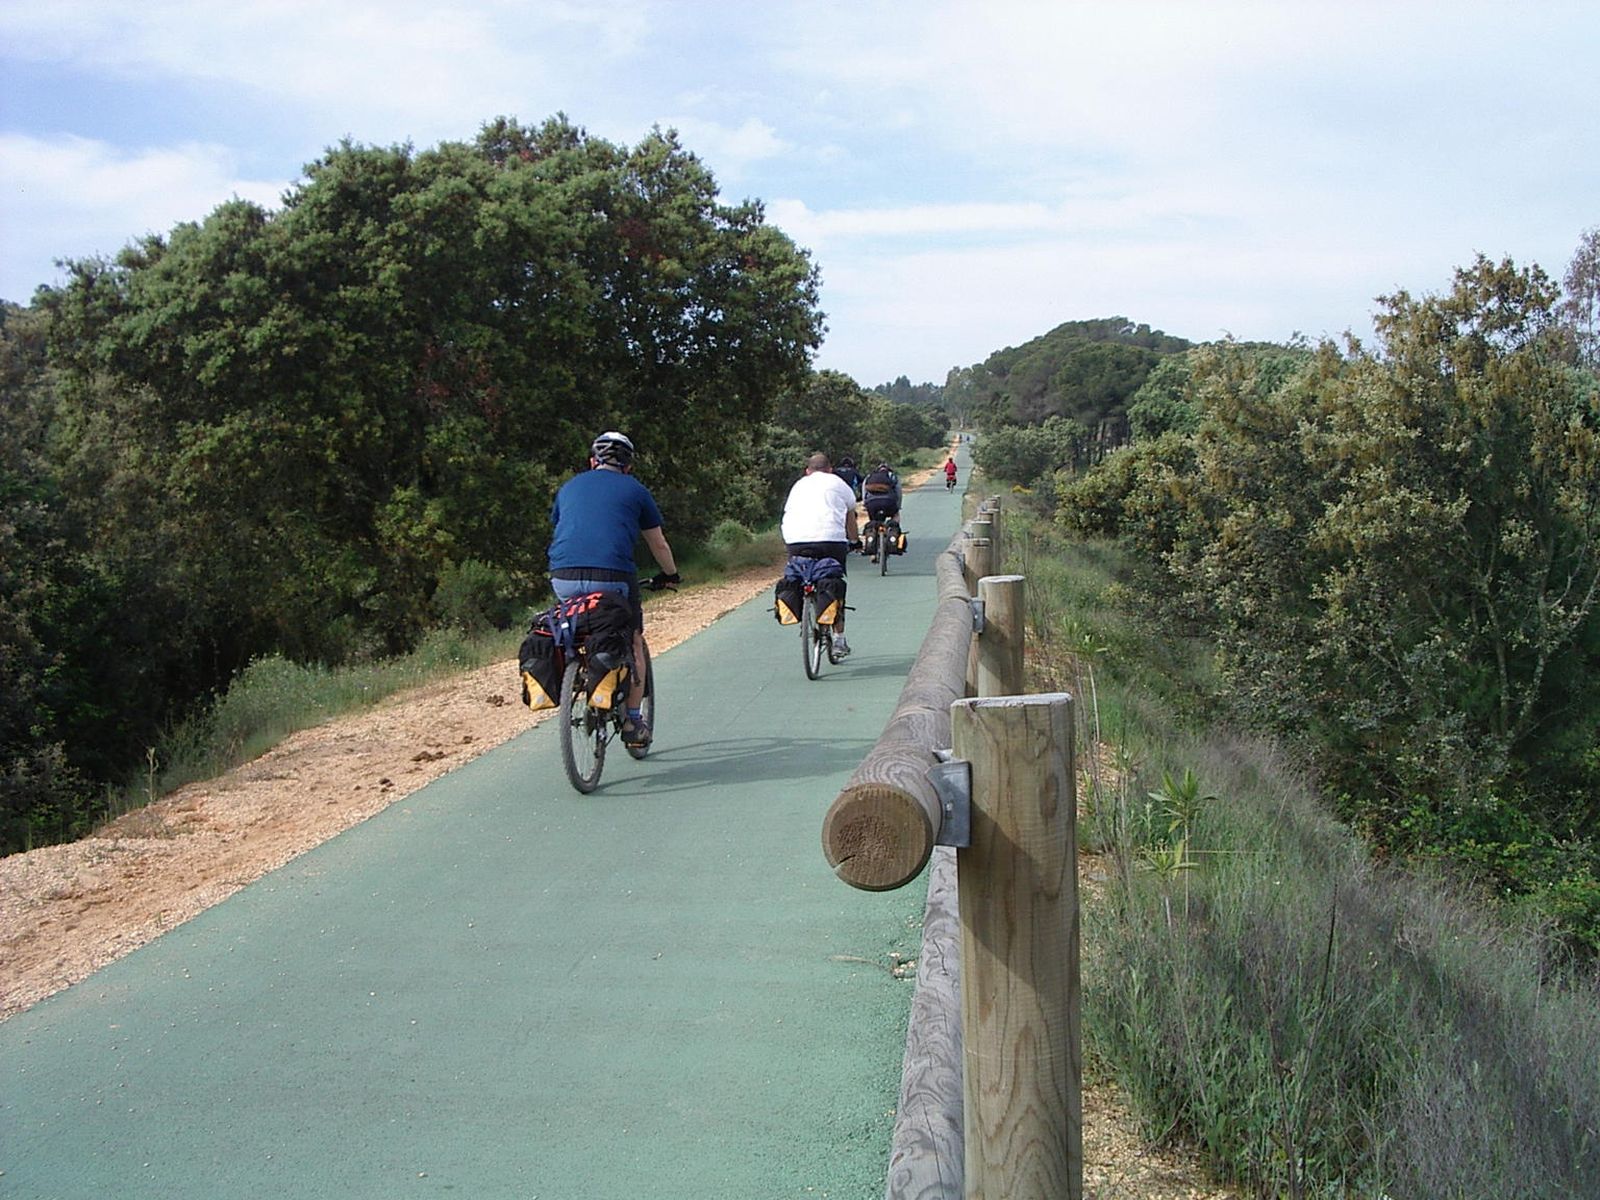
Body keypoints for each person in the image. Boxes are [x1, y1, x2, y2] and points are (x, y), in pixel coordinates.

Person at [547, 431, 679, 748]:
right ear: (628, 466)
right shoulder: (636, 490)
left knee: (579, 624)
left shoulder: (568, 487)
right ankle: (633, 721)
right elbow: (657, 543)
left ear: (593, 461)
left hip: (562, 575)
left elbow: (564, 528)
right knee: (633, 639)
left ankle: (577, 675)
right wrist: (670, 574)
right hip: (612, 577)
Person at [780, 453, 861, 656]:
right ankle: (839, 639)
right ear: (830, 469)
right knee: (834, 582)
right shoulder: (838, 483)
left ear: (807, 471)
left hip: (795, 540)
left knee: (798, 572)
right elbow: (850, 515)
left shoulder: (798, 485)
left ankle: (801, 602)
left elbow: (788, 513)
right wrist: (854, 541)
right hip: (830, 541)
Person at [859, 460, 902, 561]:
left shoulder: (869, 476)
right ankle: (893, 532)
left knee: (873, 523)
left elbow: (864, 491)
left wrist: (865, 504)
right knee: (895, 516)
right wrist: (898, 506)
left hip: (872, 503)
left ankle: (872, 552)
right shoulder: (892, 476)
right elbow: (898, 492)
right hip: (889, 502)